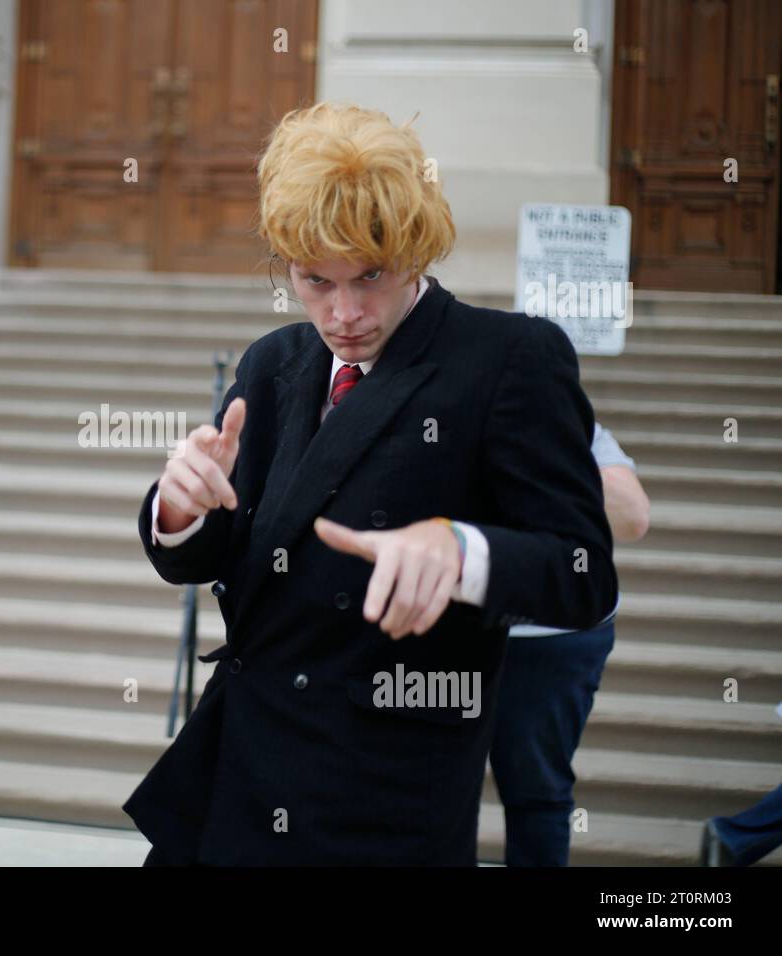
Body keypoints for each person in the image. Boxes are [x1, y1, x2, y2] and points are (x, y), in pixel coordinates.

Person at [127, 102, 618, 866]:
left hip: (378, 802)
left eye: (370, 277)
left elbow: (581, 573)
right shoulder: (272, 363)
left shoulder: (507, 358)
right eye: (314, 280)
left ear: (416, 250)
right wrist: (181, 512)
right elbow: (213, 559)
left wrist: (461, 551)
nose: (345, 313)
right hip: (233, 775)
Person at [490, 423, 650, 866]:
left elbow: (632, 520)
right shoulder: (441, 407)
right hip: (450, 631)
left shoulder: (575, 425)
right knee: (432, 789)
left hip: (553, 639)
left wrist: (545, 445)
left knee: (537, 792)